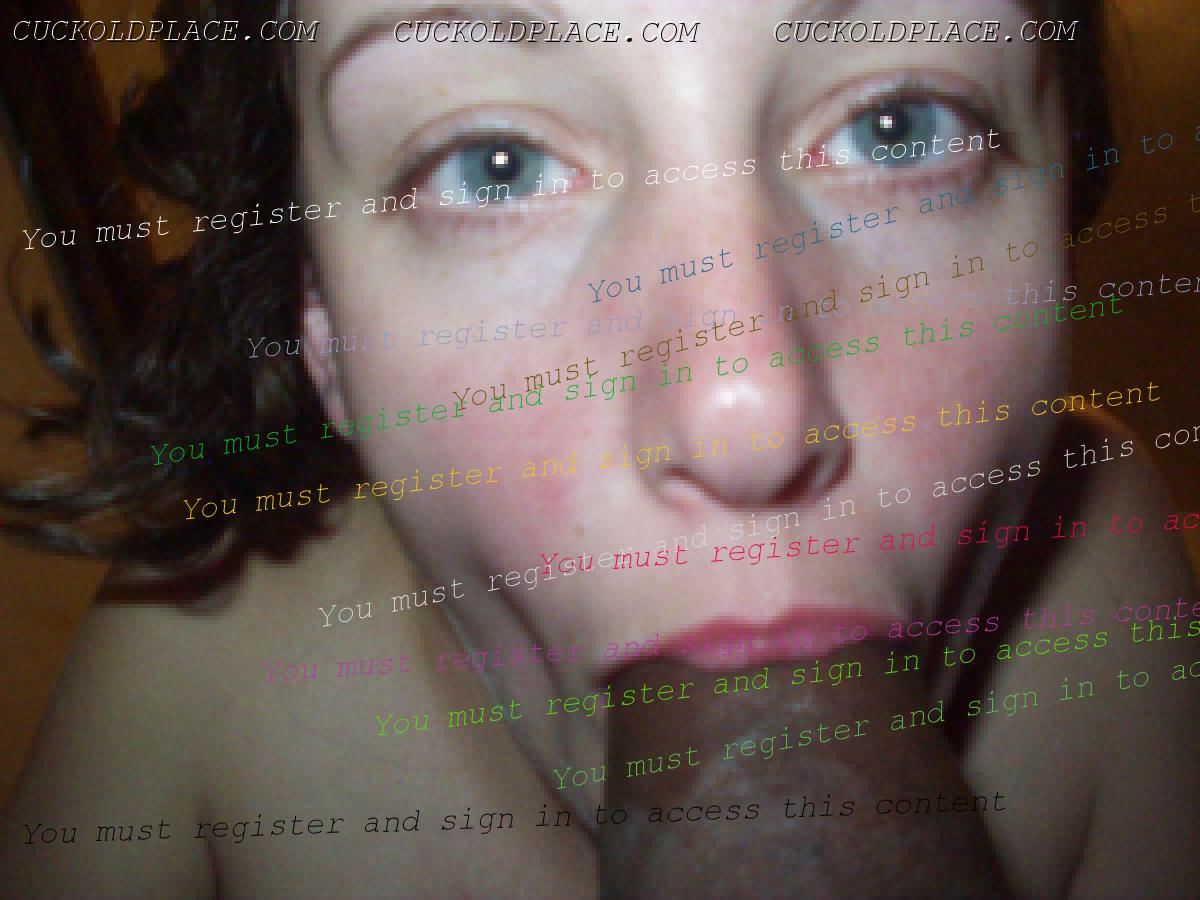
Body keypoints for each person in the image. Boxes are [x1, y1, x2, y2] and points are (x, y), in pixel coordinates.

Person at [3, 0, 1198, 896]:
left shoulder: (1111, 580)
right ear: (326, 337)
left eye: (899, 126)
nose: (746, 415)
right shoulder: (183, 678)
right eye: (496, 164)